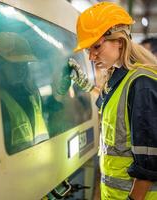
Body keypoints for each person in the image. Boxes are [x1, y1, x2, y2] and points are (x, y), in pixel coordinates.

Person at [67, 2, 157, 200]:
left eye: (97, 46)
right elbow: (114, 110)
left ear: (120, 40)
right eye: (88, 50)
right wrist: (87, 85)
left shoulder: (142, 83)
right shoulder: (120, 77)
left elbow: (150, 160)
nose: (91, 56)